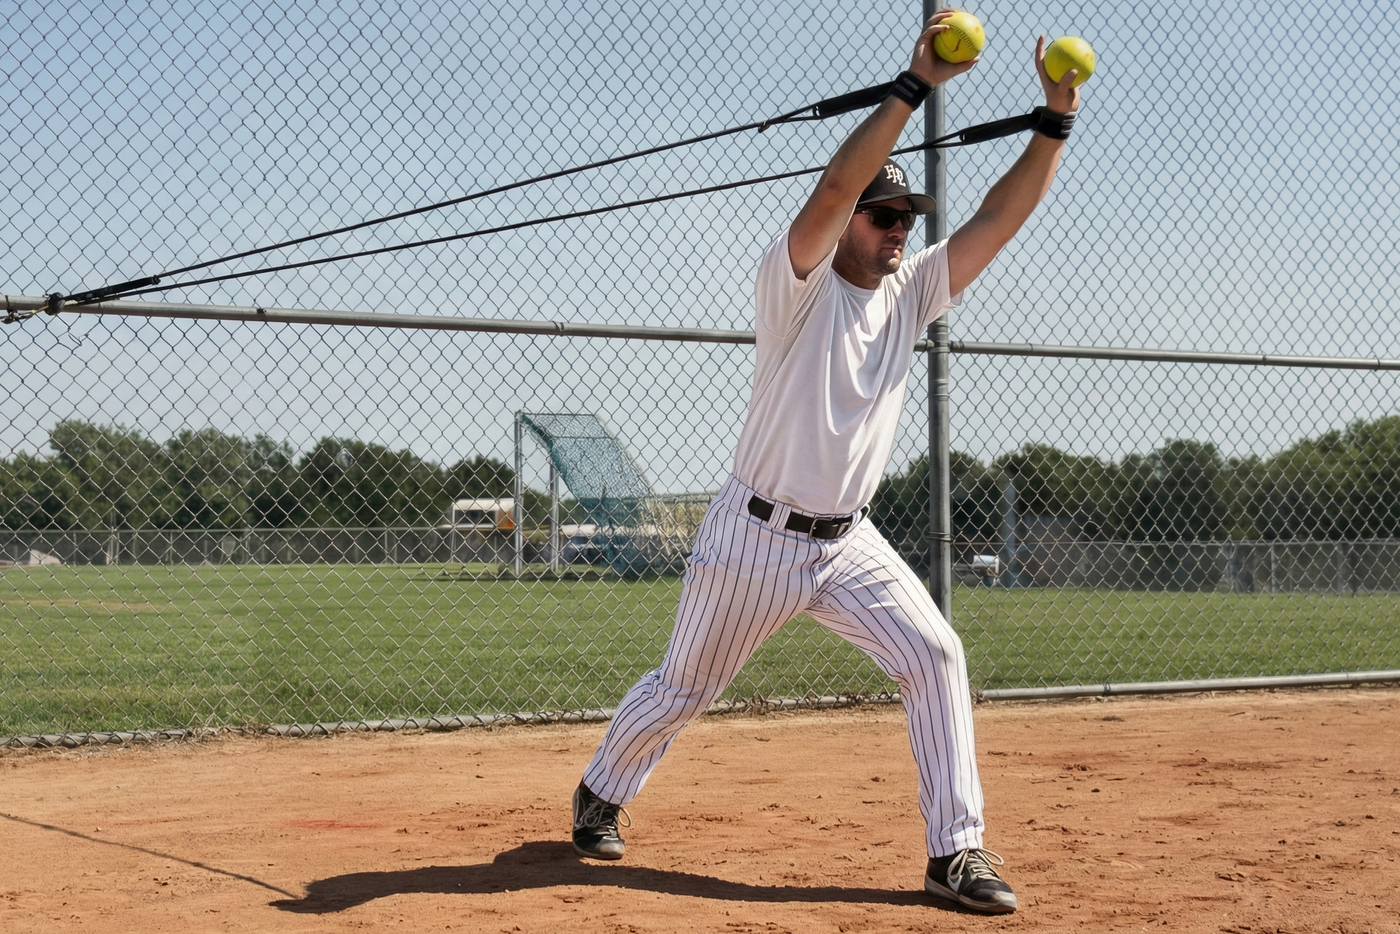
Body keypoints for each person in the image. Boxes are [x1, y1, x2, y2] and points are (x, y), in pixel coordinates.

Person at [570, 9, 1081, 915]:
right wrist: (914, 85)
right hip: (753, 536)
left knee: (935, 654)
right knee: (688, 685)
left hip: (848, 543)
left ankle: (954, 854)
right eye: (883, 216)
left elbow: (1001, 217)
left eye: (905, 219)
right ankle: (602, 788)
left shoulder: (912, 292)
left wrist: (1054, 122)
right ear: (850, 220)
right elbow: (831, 188)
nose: (897, 231)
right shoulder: (797, 285)